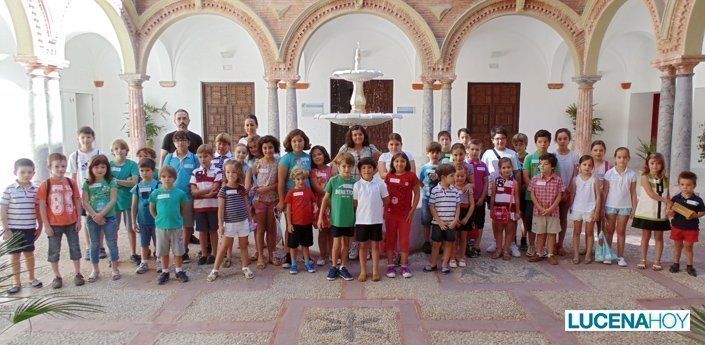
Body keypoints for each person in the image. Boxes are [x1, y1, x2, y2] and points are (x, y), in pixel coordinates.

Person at [38, 153, 85, 288]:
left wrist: (78, 220)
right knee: (54, 250)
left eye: (63, 166)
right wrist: (46, 225)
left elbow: (77, 200)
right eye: (57, 166)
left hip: (71, 222)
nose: (60, 169)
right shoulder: (45, 184)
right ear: (49, 167)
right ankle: (57, 276)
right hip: (54, 224)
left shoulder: (71, 182)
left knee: (75, 248)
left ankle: (78, 273)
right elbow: (42, 205)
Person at [337, 125, 381, 262]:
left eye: (360, 134)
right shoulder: (345, 148)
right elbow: (335, 162)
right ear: (351, 136)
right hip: (349, 186)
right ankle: (355, 245)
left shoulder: (370, 148)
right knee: (353, 216)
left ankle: (365, 246)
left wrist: (374, 172)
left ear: (364, 135)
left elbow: (383, 159)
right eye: (355, 135)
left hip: (365, 187)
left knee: (364, 216)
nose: (357, 137)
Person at [208, 160, 254, 281]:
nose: (230, 174)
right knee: (223, 247)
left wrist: (250, 220)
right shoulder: (223, 190)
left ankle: (245, 267)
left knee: (244, 245)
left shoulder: (242, 189)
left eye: (234, 172)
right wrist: (220, 224)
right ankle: (215, 270)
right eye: (228, 172)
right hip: (229, 224)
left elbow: (246, 205)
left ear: (239, 173)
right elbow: (221, 209)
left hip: (243, 222)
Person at [2, 158, 42, 294]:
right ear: (15, 172)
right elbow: (2, 209)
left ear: (34, 173)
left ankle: (32, 278)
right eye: (22, 172)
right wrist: (6, 229)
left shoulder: (36, 190)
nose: (26, 175)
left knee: (29, 254)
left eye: (29, 172)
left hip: (30, 228)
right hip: (13, 229)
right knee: (14, 256)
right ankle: (16, 282)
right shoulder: (9, 189)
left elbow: (38, 209)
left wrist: (40, 226)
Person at [481, 126, 521, 255]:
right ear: (493, 140)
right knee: (497, 218)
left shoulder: (512, 153)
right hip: (493, 191)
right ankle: (496, 242)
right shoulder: (487, 153)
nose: (500, 141)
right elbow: (483, 171)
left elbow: (517, 172)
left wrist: (518, 187)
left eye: (503, 138)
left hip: (510, 193)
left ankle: (512, 244)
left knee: (511, 220)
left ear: (506, 139)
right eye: (497, 139)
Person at [68, 126, 106, 261]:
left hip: (99, 192)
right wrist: (73, 193)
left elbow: (106, 172)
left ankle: (101, 246)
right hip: (83, 192)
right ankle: (89, 247)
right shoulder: (75, 156)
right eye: (83, 137)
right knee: (85, 220)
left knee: (100, 219)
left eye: (88, 137)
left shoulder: (100, 152)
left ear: (93, 138)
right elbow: (73, 175)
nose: (86, 140)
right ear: (78, 139)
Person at [162, 130, 200, 263]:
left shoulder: (194, 158)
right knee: (174, 223)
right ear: (174, 143)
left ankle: (184, 250)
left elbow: (198, 175)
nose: (180, 143)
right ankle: (175, 248)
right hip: (172, 197)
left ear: (188, 142)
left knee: (188, 224)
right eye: (177, 140)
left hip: (188, 196)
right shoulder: (169, 158)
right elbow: (164, 174)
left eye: (183, 140)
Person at [81, 154, 120, 281]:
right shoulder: (87, 183)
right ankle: (95, 269)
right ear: (91, 168)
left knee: (112, 243)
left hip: (109, 218)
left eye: (103, 167)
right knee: (94, 244)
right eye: (96, 167)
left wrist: (101, 215)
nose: (100, 170)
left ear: (107, 168)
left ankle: (114, 268)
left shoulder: (111, 182)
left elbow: (113, 200)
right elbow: (85, 202)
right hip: (92, 219)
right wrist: (95, 216)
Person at [150, 166, 190, 285]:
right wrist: (157, 218)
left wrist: (178, 218)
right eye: (163, 177)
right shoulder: (156, 193)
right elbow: (152, 208)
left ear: (174, 178)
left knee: (178, 250)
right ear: (160, 178)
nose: (166, 179)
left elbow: (183, 208)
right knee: (163, 251)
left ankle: (179, 270)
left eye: (169, 177)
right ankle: (165, 271)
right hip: (161, 227)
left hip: (176, 227)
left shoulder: (180, 193)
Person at [277, 129, 312, 267]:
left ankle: (305, 256)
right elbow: (281, 181)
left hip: (306, 198)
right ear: (290, 143)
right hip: (291, 199)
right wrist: (281, 200)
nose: (297, 143)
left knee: (304, 226)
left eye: (300, 140)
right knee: (290, 226)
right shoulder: (286, 158)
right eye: (294, 141)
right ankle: (288, 255)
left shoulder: (308, 157)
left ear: (304, 142)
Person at [319, 152, 356, 282]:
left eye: (349, 166)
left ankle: (343, 267)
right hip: (336, 219)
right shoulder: (333, 181)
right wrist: (320, 217)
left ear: (352, 167)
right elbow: (325, 200)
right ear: (338, 166)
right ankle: (334, 266)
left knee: (346, 245)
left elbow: (357, 202)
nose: (347, 169)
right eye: (344, 166)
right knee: (336, 245)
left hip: (349, 220)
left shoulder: (355, 182)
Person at [384, 152, 420, 278]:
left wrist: (413, 209)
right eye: (397, 161)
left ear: (407, 163)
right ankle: (390, 266)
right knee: (390, 240)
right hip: (390, 214)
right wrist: (384, 211)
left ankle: (404, 266)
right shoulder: (389, 176)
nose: (399, 163)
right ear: (393, 163)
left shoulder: (411, 176)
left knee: (404, 240)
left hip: (405, 215)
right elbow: (385, 195)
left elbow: (417, 192)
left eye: (402, 161)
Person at [246, 135, 281, 268]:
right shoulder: (257, 163)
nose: (268, 150)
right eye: (265, 148)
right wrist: (255, 189)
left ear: (275, 148)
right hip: (259, 200)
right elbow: (254, 180)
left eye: (270, 147)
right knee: (260, 229)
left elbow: (279, 183)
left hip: (273, 200)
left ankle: (272, 254)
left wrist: (266, 189)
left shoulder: (278, 163)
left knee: (271, 229)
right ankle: (261, 255)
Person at [633, 153, 671, 270]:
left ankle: (657, 260)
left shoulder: (665, 179)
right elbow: (651, 194)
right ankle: (643, 259)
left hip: (660, 213)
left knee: (659, 237)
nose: (655, 166)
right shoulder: (645, 176)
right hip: (648, 212)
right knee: (646, 236)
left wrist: (669, 206)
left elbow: (667, 194)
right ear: (648, 164)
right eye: (652, 163)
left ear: (662, 165)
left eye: (658, 163)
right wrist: (666, 200)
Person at [353, 157, 389, 282]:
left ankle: (375, 271)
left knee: (375, 246)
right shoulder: (357, 185)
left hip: (376, 221)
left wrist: (379, 212)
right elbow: (356, 203)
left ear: (374, 170)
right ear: (359, 170)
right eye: (363, 168)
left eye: (369, 168)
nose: (366, 170)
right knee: (362, 246)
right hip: (362, 221)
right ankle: (363, 271)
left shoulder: (380, 184)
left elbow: (386, 201)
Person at [603, 147, 637, 266]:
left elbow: (633, 193)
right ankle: (607, 254)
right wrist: (602, 207)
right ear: (615, 158)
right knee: (609, 230)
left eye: (624, 157)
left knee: (621, 231)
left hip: (625, 207)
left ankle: (620, 257)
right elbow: (605, 191)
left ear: (628, 158)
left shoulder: (632, 174)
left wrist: (634, 208)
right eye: (619, 157)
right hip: (610, 206)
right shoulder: (609, 173)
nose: (622, 160)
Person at [522, 130, 554, 257]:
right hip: (532, 197)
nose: (543, 144)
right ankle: (531, 245)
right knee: (531, 222)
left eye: (545, 141)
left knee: (546, 223)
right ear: (535, 143)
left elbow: (555, 175)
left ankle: (543, 247)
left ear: (549, 143)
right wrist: (535, 190)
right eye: (540, 141)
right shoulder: (529, 158)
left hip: (548, 199)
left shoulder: (552, 158)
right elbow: (526, 176)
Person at [528, 153, 564, 265]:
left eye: (546, 164)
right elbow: (532, 194)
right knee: (540, 233)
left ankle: (550, 254)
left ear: (552, 166)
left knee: (552, 233)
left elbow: (559, 195)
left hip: (553, 212)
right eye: (540, 164)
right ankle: (539, 253)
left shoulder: (557, 180)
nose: (542, 166)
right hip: (538, 212)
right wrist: (539, 207)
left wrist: (551, 208)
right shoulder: (535, 179)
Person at [424, 163, 460, 274]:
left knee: (449, 243)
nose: (455, 178)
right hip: (437, 223)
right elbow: (432, 207)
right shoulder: (435, 190)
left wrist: (455, 220)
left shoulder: (455, 191)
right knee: (436, 244)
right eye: (452, 176)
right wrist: (439, 222)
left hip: (450, 223)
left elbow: (458, 206)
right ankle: (433, 264)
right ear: (444, 177)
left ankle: (445, 264)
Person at [667, 171, 705, 277]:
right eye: (682, 185)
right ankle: (676, 264)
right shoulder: (676, 198)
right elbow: (670, 211)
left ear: (694, 186)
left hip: (691, 228)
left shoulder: (697, 200)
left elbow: (703, 211)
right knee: (678, 246)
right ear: (679, 185)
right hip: (677, 226)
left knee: (688, 246)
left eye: (688, 185)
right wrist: (669, 212)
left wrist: (696, 215)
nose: (685, 187)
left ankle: (689, 266)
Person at [190, 144, 222, 265]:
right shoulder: (195, 172)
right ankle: (204, 254)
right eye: (200, 156)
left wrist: (200, 193)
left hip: (213, 206)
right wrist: (206, 194)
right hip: (199, 206)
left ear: (212, 156)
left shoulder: (217, 171)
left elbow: (215, 187)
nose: (203, 159)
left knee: (213, 230)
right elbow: (193, 191)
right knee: (202, 231)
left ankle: (214, 253)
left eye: (206, 156)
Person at [109, 139, 139, 264]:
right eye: (116, 148)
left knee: (130, 228)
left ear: (127, 151)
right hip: (113, 201)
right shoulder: (109, 165)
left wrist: (117, 181)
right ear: (112, 151)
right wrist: (125, 181)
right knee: (113, 229)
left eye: (122, 148)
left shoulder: (132, 165)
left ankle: (133, 253)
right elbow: (107, 182)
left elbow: (134, 182)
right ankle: (114, 255)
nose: (119, 151)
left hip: (128, 200)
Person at [284, 168, 318, 275]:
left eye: (303, 179)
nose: (300, 181)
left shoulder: (308, 190)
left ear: (306, 179)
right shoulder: (291, 193)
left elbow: (313, 202)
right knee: (293, 245)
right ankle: (293, 263)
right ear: (294, 179)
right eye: (298, 179)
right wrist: (289, 224)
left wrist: (315, 207)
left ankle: (307, 262)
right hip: (295, 224)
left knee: (305, 244)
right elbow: (288, 210)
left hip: (307, 223)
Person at [568, 155, 600, 264]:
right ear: (579, 166)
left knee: (589, 233)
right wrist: (570, 207)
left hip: (590, 209)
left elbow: (598, 196)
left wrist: (596, 211)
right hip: (577, 208)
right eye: (584, 164)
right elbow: (572, 194)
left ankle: (588, 254)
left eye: (589, 165)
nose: (587, 167)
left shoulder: (594, 180)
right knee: (576, 232)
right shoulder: (575, 180)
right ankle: (576, 255)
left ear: (593, 167)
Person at [131, 158, 161, 274]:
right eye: (141, 170)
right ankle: (144, 262)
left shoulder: (158, 185)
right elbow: (134, 205)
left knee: (158, 242)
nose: (144, 173)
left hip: (156, 221)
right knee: (144, 243)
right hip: (142, 221)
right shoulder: (137, 187)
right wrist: (134, 221)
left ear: (153, 171)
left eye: (147, 170)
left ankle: (159, 260)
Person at [552, 128, 579, 257]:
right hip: (553, 192)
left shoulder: (574, 155)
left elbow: (575, 174)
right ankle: (551, 245)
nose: (562, 141)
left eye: (565, 138)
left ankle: (560, 244)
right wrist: (559, 190)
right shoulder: (553, 154)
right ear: (556, 140)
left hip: (568, 191)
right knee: (552, 218)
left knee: (563, 217)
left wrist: (569, 189)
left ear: (569, 139)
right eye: (559, 139)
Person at [490, 158, 520, 260]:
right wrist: (491, 209)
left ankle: (506, 250)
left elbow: (516, 197)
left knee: (509, 230)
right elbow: (493, 196)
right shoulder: (496, 181)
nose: (506, 170)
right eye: (504, 168)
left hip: (510, 210)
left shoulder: (514, 183)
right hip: (498, 210)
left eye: (508, 167)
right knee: (498, 230)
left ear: (512, 168)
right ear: (499, 169)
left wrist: (517, 211)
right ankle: (499, 249)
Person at [310, 145, 336, 266]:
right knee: (322, 231)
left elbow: (335, 183)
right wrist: (328, 192)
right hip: (320, 203)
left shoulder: (331, 169)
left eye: (319, 154)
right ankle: (322, 255)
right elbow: (316, 187)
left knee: (332, 230)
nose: (317, 157)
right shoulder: (313, 172)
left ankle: (332, 254)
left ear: (324, 154)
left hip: (332, 204)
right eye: (314, 155)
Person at [418, 142, 442, 255]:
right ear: (428, 154)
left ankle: (437, 242)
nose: (435, 155)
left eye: (437, 152)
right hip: (427, 199)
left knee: (438, 221)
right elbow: (420, 181)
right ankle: (427, 242)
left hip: (440, 200)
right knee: (426, 221)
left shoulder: (442, 168)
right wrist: (425, 190)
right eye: (432, 152)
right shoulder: (424, 168)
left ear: (440, 154)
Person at [465, 139, 488, 258]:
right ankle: (466, 245)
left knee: (479, 223)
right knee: (468, 223)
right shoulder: (465, 165)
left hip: (479, 200)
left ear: (481, 151)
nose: (474, 152)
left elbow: (486, 183)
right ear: (467, 150)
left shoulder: (483, 166)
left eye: (477, 149)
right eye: (472, 149)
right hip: (467, 200)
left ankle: (476, 245)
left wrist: (482, 198)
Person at [451, 166, 474, 267]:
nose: (460, 178)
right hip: (454, 214)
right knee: (454, 238)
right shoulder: (451, 188)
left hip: (464, 214)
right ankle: (452, 257)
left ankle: (461, 257)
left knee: (463, 238)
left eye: (462, 176)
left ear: (466, 176)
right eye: (457, 176)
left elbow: (472, 204)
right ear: (453, 176)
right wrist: (455, 219)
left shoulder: (468, 189)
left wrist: (466, 218)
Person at [512, 132, 529, 250]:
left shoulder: (529, 157)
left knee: (524, 216)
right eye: (516, 144)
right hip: (513, 191)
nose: (518, 147)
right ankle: (512, 238)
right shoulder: (512, 157)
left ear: (525, 145)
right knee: (514, 215)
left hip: (525, 190)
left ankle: (524, 237)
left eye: (521, 144)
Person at [590, 140, 611, 236]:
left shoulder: (609, 166)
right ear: (591, 151)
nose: (598, 152)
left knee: (601, 223)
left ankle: (601, 248)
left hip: (603, 197)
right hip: (589, 197)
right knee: (589, 223)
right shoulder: (587, 164)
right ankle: (588, 248)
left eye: (601, 150)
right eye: (595, 150)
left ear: (604, 151)